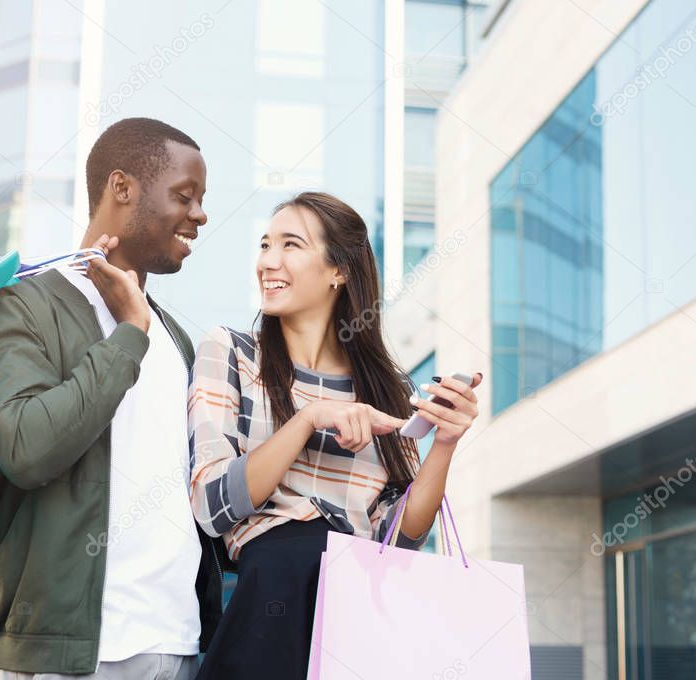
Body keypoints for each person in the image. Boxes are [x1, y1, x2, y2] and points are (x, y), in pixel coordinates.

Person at [188, 191, 482, 679]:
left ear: (338, 271)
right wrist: (307, 420)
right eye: (265, 244)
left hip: (355, 616)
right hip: (266, 608)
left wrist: (444, 444)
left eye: (291, 245)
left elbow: (399, 542)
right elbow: (212, 504)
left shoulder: (388, 388)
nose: (269, 262)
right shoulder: (232, 352)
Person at [0, 117, 223, 679]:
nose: (201, 215)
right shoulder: (20, 306)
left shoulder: (179, 338)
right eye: (185, 196)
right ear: (122, 188)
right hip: (65, 656)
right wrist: (129, 333)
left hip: (177, 648)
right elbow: (26, 447)